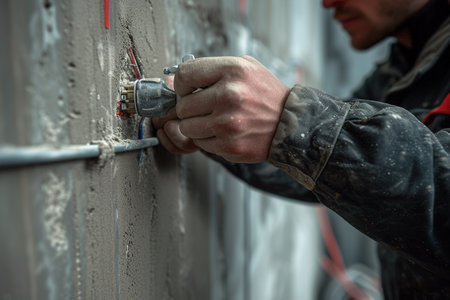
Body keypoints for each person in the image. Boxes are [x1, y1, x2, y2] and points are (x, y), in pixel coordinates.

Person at [153, 0, 450, 298]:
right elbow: (333, 174)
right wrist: (215, 124)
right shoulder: (404, 67)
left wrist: (293, 122)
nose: (327, 3)